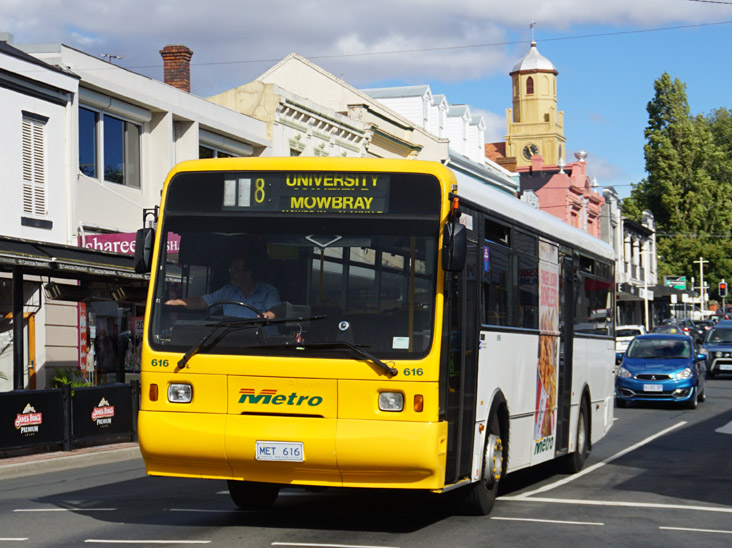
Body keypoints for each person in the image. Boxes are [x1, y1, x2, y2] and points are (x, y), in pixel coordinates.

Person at [165, 248, 280, 320]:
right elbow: (201, 302)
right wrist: (179, 302)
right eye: (231, 270)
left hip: (260, 348)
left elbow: (274, 311)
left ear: (248, 273)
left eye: (235, 270)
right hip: (230, 347)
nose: (232, 274)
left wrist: (267, 316)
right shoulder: (227, 292)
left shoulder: (268, 292)